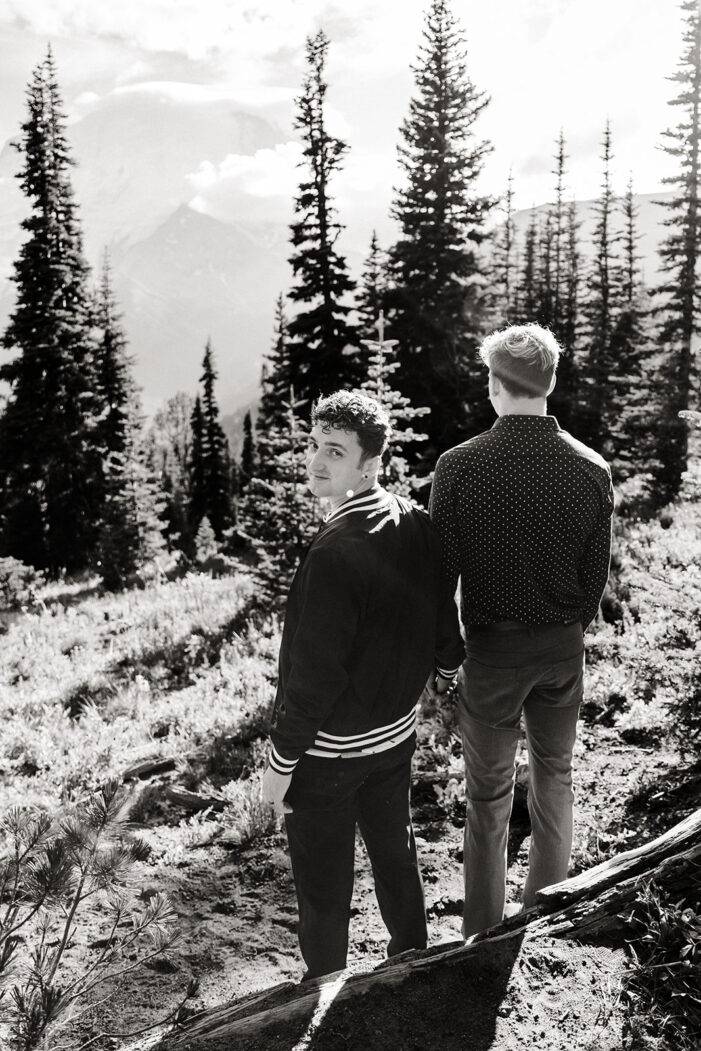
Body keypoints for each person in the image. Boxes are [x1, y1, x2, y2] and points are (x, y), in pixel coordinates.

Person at [262, 389, 465, 980]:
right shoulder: (415, 521)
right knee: (395, 852)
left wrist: (280, 761)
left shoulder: (334, 552)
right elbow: (438, 614)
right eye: (314, 445)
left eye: (335, 451)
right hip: (394, 740)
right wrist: (448, 672)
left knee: (324, 879)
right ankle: (413, 962)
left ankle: (322, 990)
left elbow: (315, 673)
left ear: (370, 464)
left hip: (328, 755)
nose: (316, 462)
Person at [429, 324, 614, 938]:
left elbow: (439, 579)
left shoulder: (458, 467)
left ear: (493, 385)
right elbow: (594, 581)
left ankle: (482, 930)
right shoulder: (592, 468)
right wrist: (564, 629)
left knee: (487, 798)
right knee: (555, 776)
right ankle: (548, 915)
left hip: (492, 653)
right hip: (562, 650)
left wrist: (449, 658)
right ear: (550, 382)